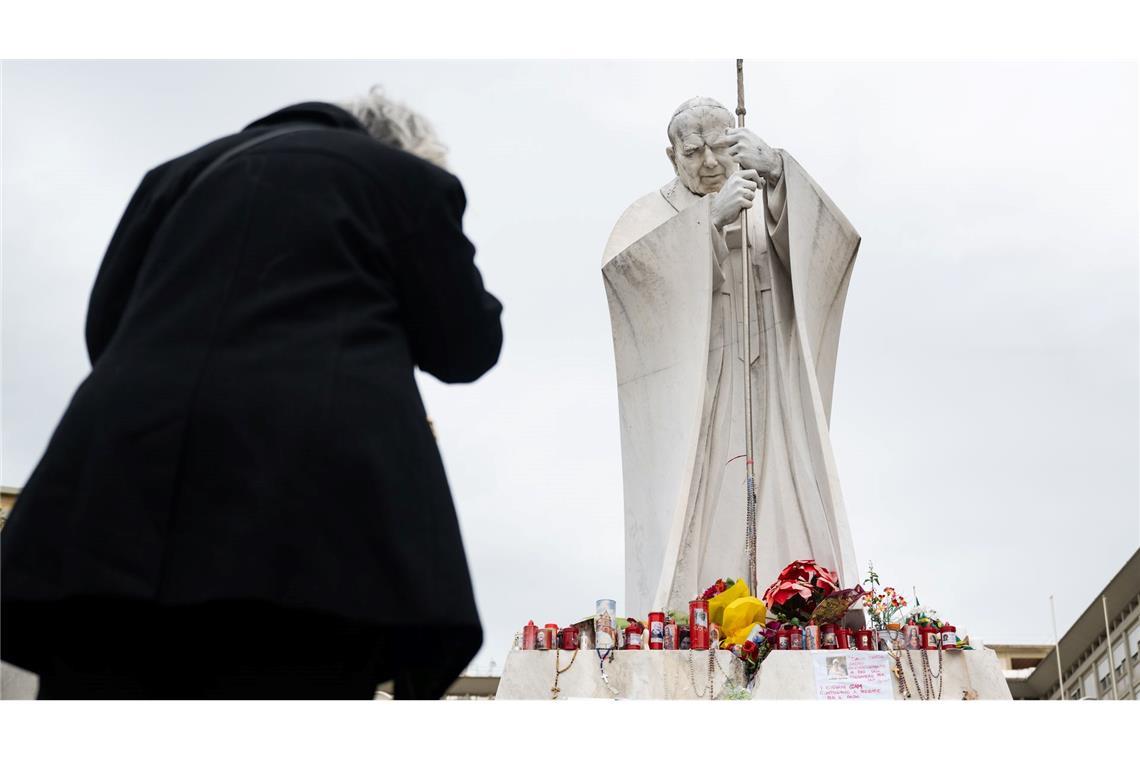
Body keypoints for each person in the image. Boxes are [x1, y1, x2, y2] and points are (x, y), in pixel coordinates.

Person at [0, 88, 503, 699]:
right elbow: (466, 346)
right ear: (405, 149)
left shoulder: (173, 177)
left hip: (118, 503)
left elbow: (105, 327)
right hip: (308, 518)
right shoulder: (404, 179)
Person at [602, 97, 861, 615]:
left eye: (721, 147)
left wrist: (780, 174)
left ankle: (795, 605)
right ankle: (696, 610)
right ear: (671, 155)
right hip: (700, 390)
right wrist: (706, 224)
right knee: (703, 504)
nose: (710, 163)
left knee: (783, 488)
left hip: (771, 389)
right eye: (693, 152)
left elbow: (833, 244)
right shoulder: (649, 214)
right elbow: (628, 277)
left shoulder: (761, 194)